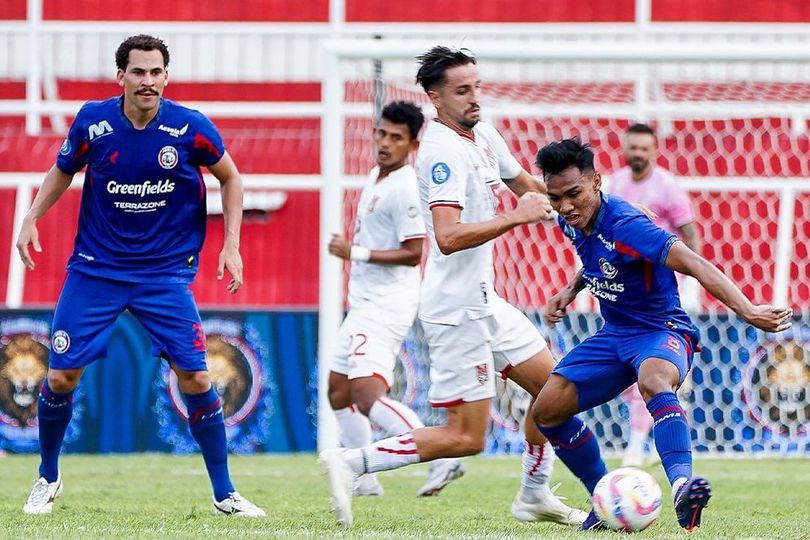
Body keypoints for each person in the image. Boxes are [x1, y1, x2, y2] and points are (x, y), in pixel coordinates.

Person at [320, 46, 587, 529]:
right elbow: (445, 237)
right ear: (435, 97)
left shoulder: (482, 132)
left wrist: (591, 210)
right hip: (454, 309)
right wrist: (515, 216)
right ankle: (353, 461)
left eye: (477, 86)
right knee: (467, 438)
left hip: (486, 302)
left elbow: (528, 184)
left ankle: (534, 494)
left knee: (555, 391)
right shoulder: (439, 152)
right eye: (462, 91)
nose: (474, 98)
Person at [17, 34, 264, 517]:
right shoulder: (94, 121)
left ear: (166, 77)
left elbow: (231, 177)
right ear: (122, 77)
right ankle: (47, 476)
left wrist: (231, 242)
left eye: (156, 73)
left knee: (195, 376)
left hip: (164, 275)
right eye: (138, 72)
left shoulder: (191, 128)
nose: (147, 81)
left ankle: (224, 493)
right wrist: (31, 216)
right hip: (96, 270)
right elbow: (63, 169)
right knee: (62, 375)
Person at [533, 137, 792, 531]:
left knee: (653, 380)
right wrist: (570, 290)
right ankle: (604, 501)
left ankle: (683, 488)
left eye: (574, 194)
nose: (566, 206)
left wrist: (748, 310)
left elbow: (693, 262)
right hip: (615, 333)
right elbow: (598, 261)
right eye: (557, 198)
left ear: (597, 182)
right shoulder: (571, 220)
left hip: (661, 330)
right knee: (547, 411)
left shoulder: (629, 225)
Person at [327, 100, 464, 498]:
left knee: (368, 395)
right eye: (381, 134)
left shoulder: (404, 187)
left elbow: (413, 252)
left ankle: (441, 454)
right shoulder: (377, 175)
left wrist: (354, 253)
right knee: (338, 390)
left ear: (412, 145)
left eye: (396, 138)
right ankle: (365, 479)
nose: (385, 143)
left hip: (387, 304)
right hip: (365, 302)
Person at [610, 122, 704, 468]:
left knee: (655, 372)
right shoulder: (617, 184)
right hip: (625, 295)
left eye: (644, 148)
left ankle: (639, 445)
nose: (637, 153)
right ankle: (650, 438)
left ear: (654, 150)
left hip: (662, 297)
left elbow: (689, 235)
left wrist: (686, 280)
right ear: (625, 148)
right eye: (632, 147)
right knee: (627, 372)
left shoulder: (667, 187)